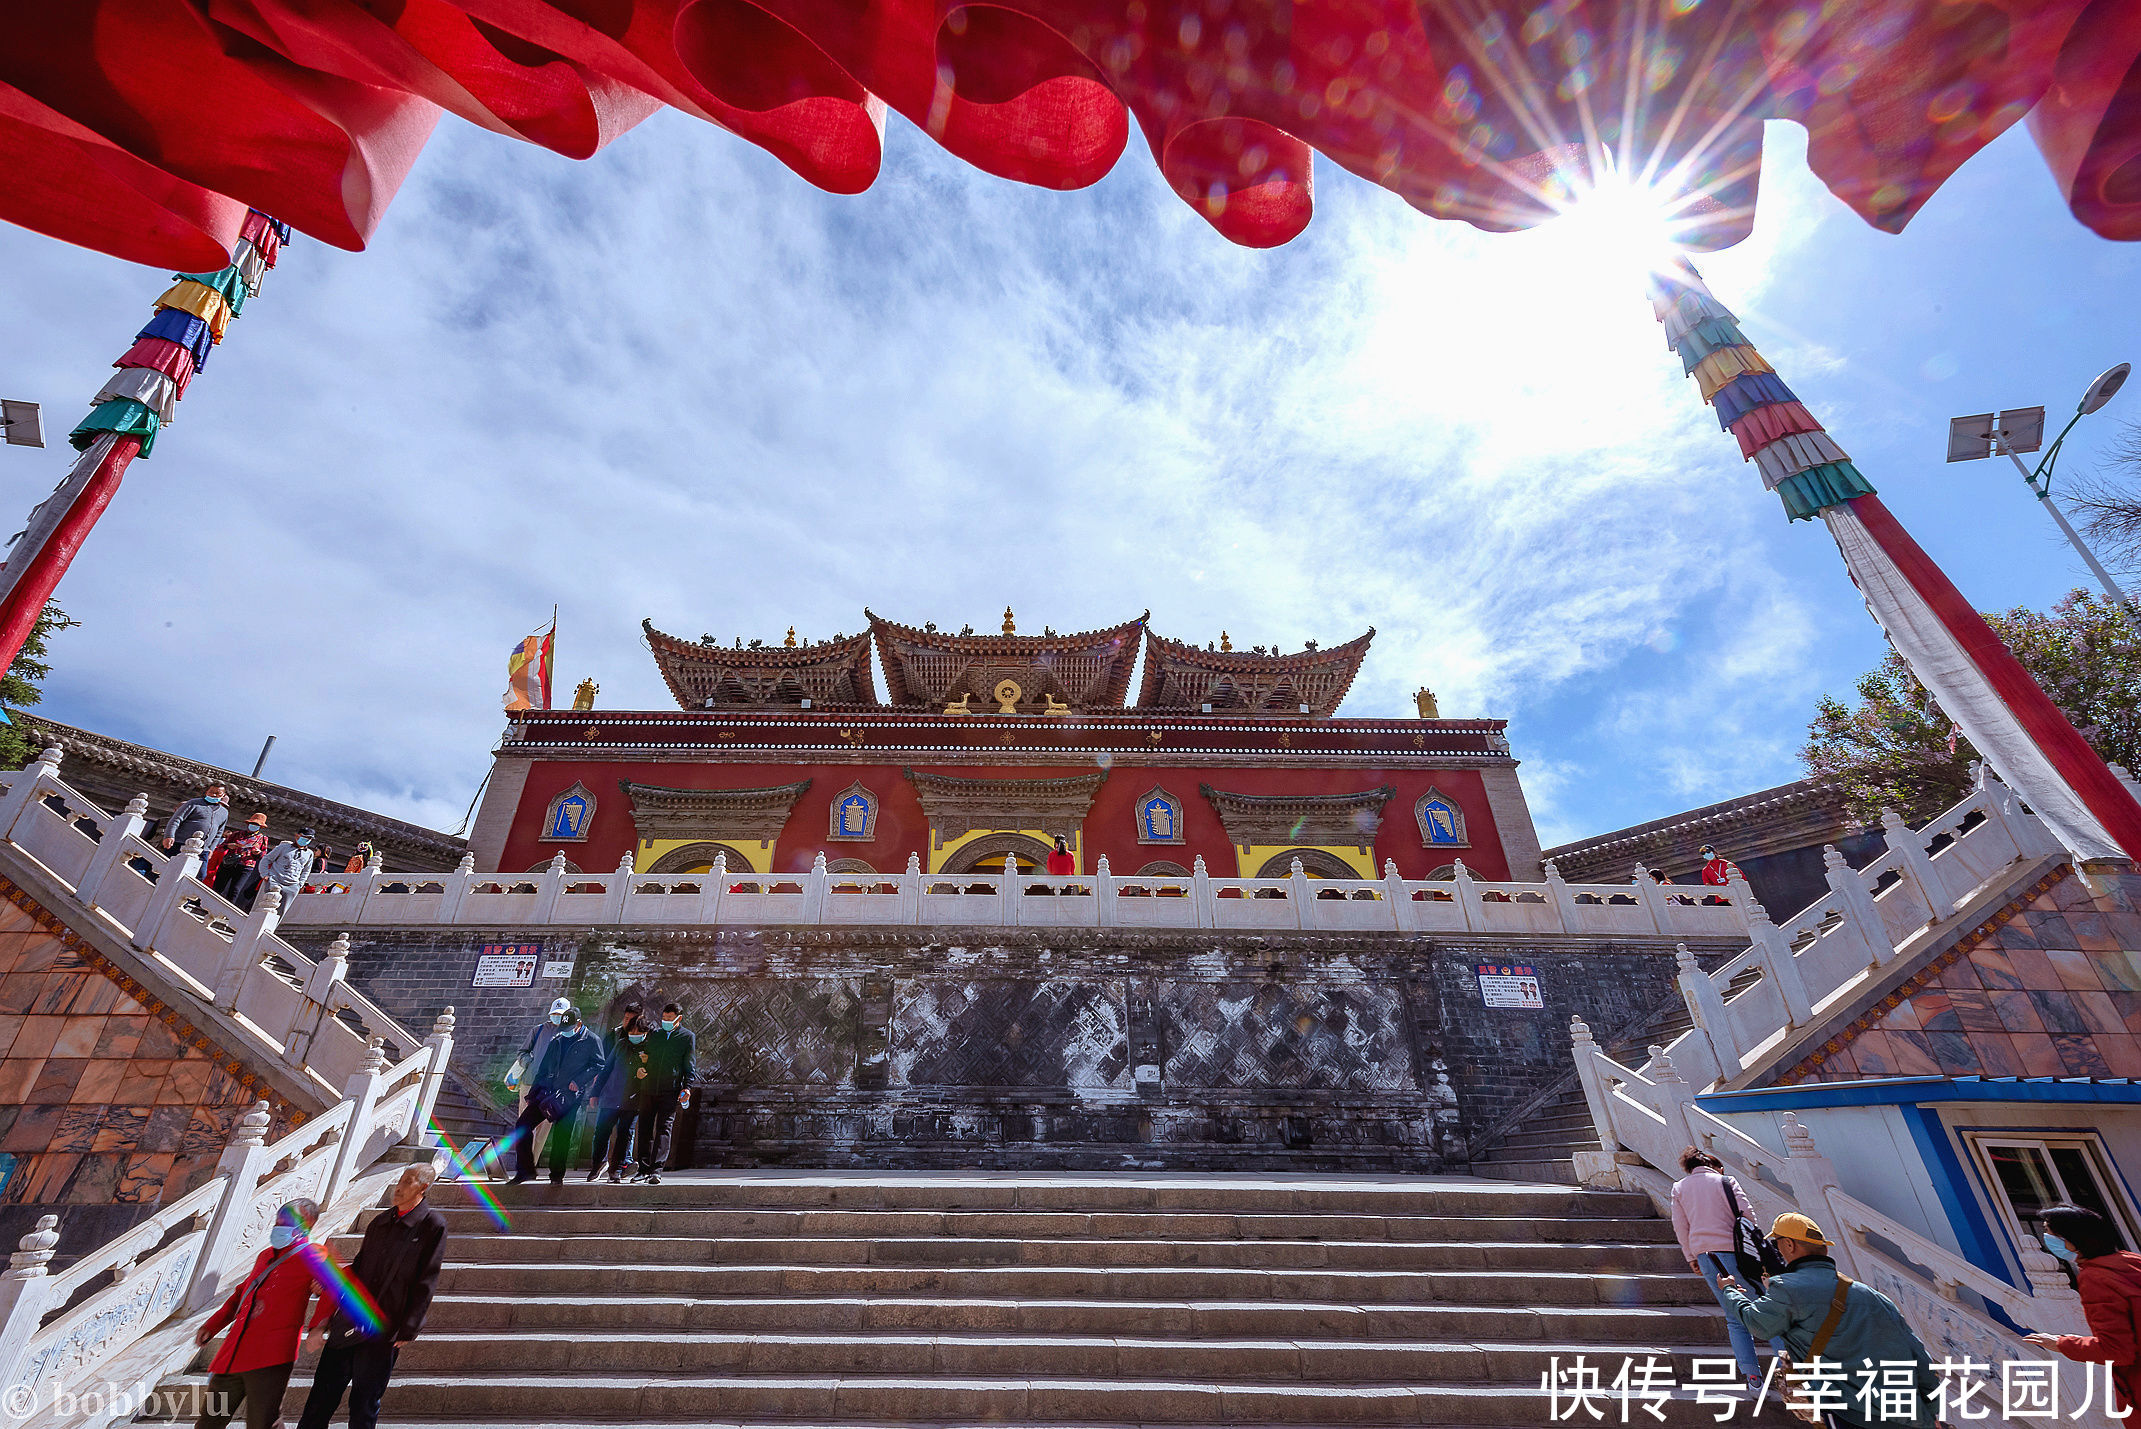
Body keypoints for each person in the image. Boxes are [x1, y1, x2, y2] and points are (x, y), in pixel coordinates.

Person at [1717, 1212, 1941, 1426]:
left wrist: (1729, 1291)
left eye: (1778, 1244)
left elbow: (1758, 1323)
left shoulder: (1788, 1289)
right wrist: (1931, 1415)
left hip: (1850, 1414)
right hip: (1910, 1417)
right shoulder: (1873, 1296)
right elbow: (1922, 1360)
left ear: (1789, 1245)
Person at [295, 1165, 445, 1429]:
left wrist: (409, 1327)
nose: (398, 1187)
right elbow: (359, 1266)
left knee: (364, 1405)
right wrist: (330, 1281)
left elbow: (426, 1280)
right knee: (320, 1398)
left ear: (423, 1188)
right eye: (399, 1180)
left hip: (384, 1329)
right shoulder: (380, 1222)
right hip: (349, 1321)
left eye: (407, 1182)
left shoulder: (432, 1226)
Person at [193, 1198, 342, 1429]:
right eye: (279, 1218)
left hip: (270, 1356)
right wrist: (212, 1326)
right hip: (233, 1354)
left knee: (263, 1423)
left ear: (306, 1225)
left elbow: (333, 1287)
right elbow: (243, 1293)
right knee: (208, 1423)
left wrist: (317, 1328)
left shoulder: (314, 1254)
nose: (280, 1224)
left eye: (287, 1220)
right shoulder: (265, 1256)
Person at [1670, 1148, 1775, 1393]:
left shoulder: (1679, 1188)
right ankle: (1789, 1372)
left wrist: (1691, 1257)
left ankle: (1753, 1379)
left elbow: (1680, 1227)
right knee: (1769, 1312)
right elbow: (1748, 1215)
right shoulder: (1727, 1181)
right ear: (1713, 1165)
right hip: (1738, 1253)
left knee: (1734, 1317)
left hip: (1707, 1257)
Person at [2025, 1203, 2141, 1417]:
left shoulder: (2095, 1279)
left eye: (2049, 1233)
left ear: (2072, 1240)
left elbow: (2117, 1350)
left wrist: (2061, 1344)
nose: (2046, 1239)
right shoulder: (2131, 1261)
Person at [510, 1005, 603, 1185]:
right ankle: (525, 1170)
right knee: (522, 1124)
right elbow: (544, 1068)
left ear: (579, 1024)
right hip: (547, 1092)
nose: (565, 1032)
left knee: (562, 1134)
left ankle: (556, 1175)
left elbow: (599, 1064)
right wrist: (533, 1094)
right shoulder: (558, 1039)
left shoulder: (592, 1040)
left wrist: (579, 1081)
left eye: (569, 1029)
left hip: (569, 1096)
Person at [504, 997, 572, 1175]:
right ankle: (523, 1165)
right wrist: (531, 1061)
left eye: (560, 1014)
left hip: (551, 1089)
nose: (556, 1017)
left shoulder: (570, 1034)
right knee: (524, 1124)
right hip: (530, 1083)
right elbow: (522, 1052)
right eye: (554, 1014)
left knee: (543, 1129)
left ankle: (530, 1164)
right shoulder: (539, 1030)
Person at [634, 1001, 695, 1184]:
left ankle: (656, 1170)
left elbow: (689, 1065)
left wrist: (687, 1087)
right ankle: (642, 1168)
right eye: (664, 1018)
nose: (666, 1021)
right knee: (644, 1129)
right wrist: (640, 1068)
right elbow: (644, 1057)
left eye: (670, 1018)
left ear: (679, 1018)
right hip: (649, 1087)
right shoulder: (655, 1035)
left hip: (670, 1090)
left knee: (664, 1128)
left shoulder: (687, 1037)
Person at [586, 1004, 647, 1183]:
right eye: (631, 1031)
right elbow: (606, 1069)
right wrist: (595, 1093)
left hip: (632, 1099)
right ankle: (597, 1165)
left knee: (624, 1134)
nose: (634, 1035)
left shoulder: (649, 1047)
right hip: (611, 1096)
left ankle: (616, 1170)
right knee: (601, 1132)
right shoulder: (619, 1043)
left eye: (638, 1032)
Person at [209, 814, 272, 909]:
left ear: (260, 827)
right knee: (218, 886)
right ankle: (209, 906)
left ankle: (226, 911)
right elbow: (221, 847)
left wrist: (257, 853)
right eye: (252, 823)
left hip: (246, 866)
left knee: (235, 890)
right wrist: (228, 846)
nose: (253, 826)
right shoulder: (236, 834)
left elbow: (264, 855)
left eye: (256, 824)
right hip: (229, 863)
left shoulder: (262, 839)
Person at [162, 783, 230, 856]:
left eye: (217, 793)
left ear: (223, 795)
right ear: (206, 792)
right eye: (211, 792)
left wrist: (211, 849)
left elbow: (219, 833)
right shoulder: (193, 803)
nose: (213, 795)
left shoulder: (224, 812)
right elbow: (176, 819)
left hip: (204, 850)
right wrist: (169, 835)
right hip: (180, 843)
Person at [257, 827, 318, 907]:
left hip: (292, 885)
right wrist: (264, 874)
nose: (306, 840)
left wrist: (300, 884)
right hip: (275, 880)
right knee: (267, 905)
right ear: (297, 836)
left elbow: (306, 870)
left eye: (309, 838)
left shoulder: (309, 853)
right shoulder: (284, 847)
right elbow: (267, 859)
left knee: (283, 909)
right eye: (304, 837)